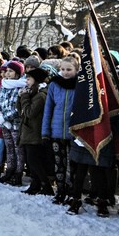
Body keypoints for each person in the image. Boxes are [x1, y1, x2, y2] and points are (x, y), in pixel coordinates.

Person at [41, 56, 78, 205]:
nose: (65, 72)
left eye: (69, 69)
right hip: (56, 130)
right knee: (59, 163)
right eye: (63, 69)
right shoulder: (54, 85)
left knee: (71, 164)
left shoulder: (80, 85)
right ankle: (60, 190)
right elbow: (48, 109)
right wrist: (45, 132)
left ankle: (71, 191)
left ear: (76, 70)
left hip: (73, 132)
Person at [18, 67, 52, 195]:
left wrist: (25, 97)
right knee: (31, 161)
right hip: (28, 131)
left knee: (34, 161)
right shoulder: (32, 93)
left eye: (29, 78)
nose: (26, 81)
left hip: (35, 132)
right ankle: (35, 184)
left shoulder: (41, 96)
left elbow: (29, 113)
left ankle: (45, 185)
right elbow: (21, 110)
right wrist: (20, 97)